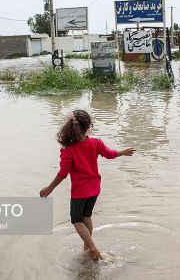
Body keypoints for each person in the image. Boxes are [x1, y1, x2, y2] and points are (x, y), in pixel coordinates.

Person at [39, 110, 135, 260]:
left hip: (80, 192)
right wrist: (123, 151)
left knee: (76, 220)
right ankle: (87, 248)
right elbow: (110, 154)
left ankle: (93, 248)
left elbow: (63, 174)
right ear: (89, 126)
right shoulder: (96, 142)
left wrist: (49, 188)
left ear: (68, 128)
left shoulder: (67, 150)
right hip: (95, 189)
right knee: (86, 216)